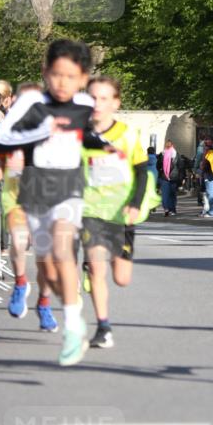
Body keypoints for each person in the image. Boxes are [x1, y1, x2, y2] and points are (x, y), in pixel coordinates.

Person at [0, 39, 111, 366]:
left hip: (68, 188)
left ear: (83, 78)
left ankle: (73, 327)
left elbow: (88, 134)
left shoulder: (84, 105)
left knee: (63, 250)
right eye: (57, 75)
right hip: (35, 189)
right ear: (45, 72)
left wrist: (104, 146)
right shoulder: (32, 103)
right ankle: (68, 309)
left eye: (71, 77)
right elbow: (1, 138)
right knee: (49, 270)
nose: (62, 83)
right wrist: (41, 131)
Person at [81, 76, 154, 349]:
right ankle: (103, 327)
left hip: (121, 210)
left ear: (116, 103)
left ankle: (95, 265)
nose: (97, 104)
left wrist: (135, 203)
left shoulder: (127, 134)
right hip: (91, 208)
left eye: (103, 98)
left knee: (121, 278)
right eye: (92, 98)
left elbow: (142, 172)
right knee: (96, 266)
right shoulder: (79, 134)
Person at [0, 82, 59, 330]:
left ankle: (44, 304)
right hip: (15, 195)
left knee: (45, 258)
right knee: (18, 240)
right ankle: (21, 283)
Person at [156, 139, 184, 216]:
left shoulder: (162, 154)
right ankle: (172, 210)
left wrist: (161, 171)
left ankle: (166, 208)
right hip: (174, 177)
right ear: (172, 146)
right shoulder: (176, 154)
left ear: (165, 146)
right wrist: (181, 178)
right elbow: (181, 166)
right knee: (172, 194)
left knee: (165, 194)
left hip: (164, 177)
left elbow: (158, 166)